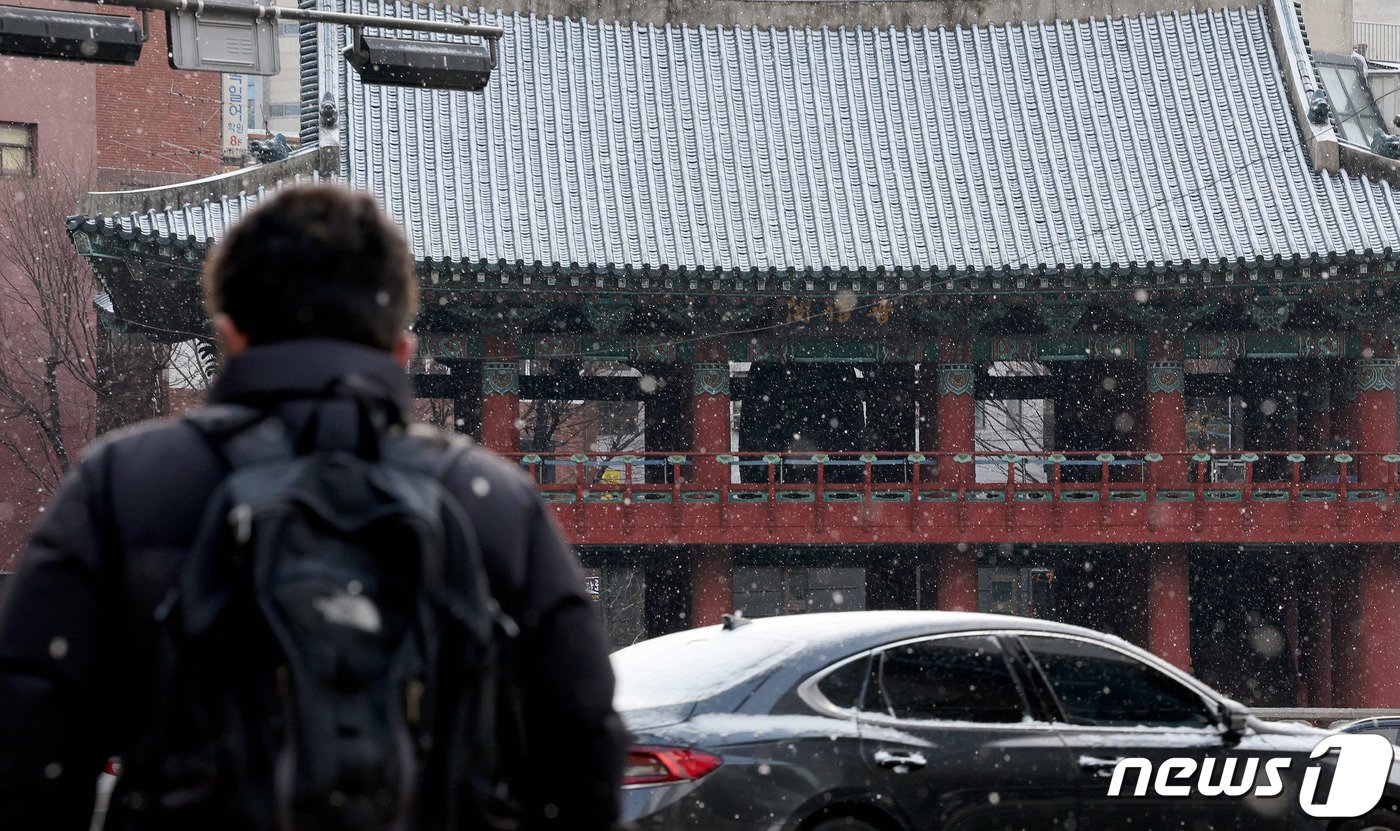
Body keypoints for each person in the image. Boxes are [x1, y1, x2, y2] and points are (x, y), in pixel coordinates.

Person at [0, 185, 627, 829]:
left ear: (230, 335)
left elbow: (28, 741)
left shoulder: (125, 485)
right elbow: (583, 751)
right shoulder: (493, 503)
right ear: (401, 352)